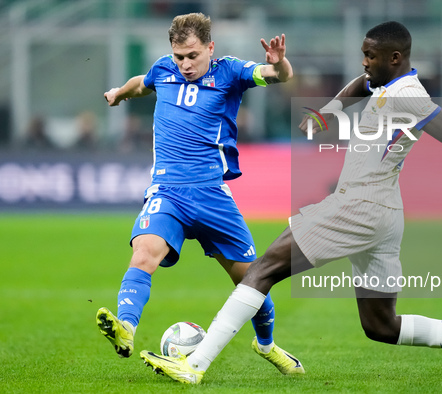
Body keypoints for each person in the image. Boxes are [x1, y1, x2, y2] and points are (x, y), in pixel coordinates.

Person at [140, 21, 442, 385]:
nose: (364, 62)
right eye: (363, 53)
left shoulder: (409, 96)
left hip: (357, 207)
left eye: (370, 56)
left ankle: (195, 364)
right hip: (385, 215)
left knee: (262, 270)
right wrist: (326, 115)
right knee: (381, 326)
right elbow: (361, 84)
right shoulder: (388, 83)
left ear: (394, 58)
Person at [96, 12, 304, 376]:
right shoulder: (164, 69)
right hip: (167, 190)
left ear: (210, 47)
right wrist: (118, 94)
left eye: (193, 55)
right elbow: (141, 83)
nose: (185, 64)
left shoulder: (231, 71)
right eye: (179, 57)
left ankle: (267, 345)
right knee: (144, 253)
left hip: (212, 195)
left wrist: (280, 63)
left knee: (253, 280)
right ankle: (126, 329)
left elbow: (277, 75)